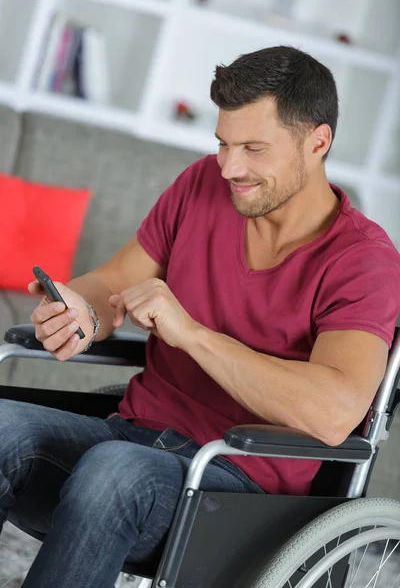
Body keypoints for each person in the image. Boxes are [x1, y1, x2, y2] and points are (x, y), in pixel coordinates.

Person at [1, 45, 400, 588]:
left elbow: (332, 413)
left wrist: (191, 334)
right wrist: (84, 315)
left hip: (238, 488)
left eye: (253, 149)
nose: (230, 168)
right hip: (133, 437)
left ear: (318, 142)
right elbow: (111, 283)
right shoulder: (200, 186)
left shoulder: (364, 261)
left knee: (113, 471)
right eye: (223, 144)